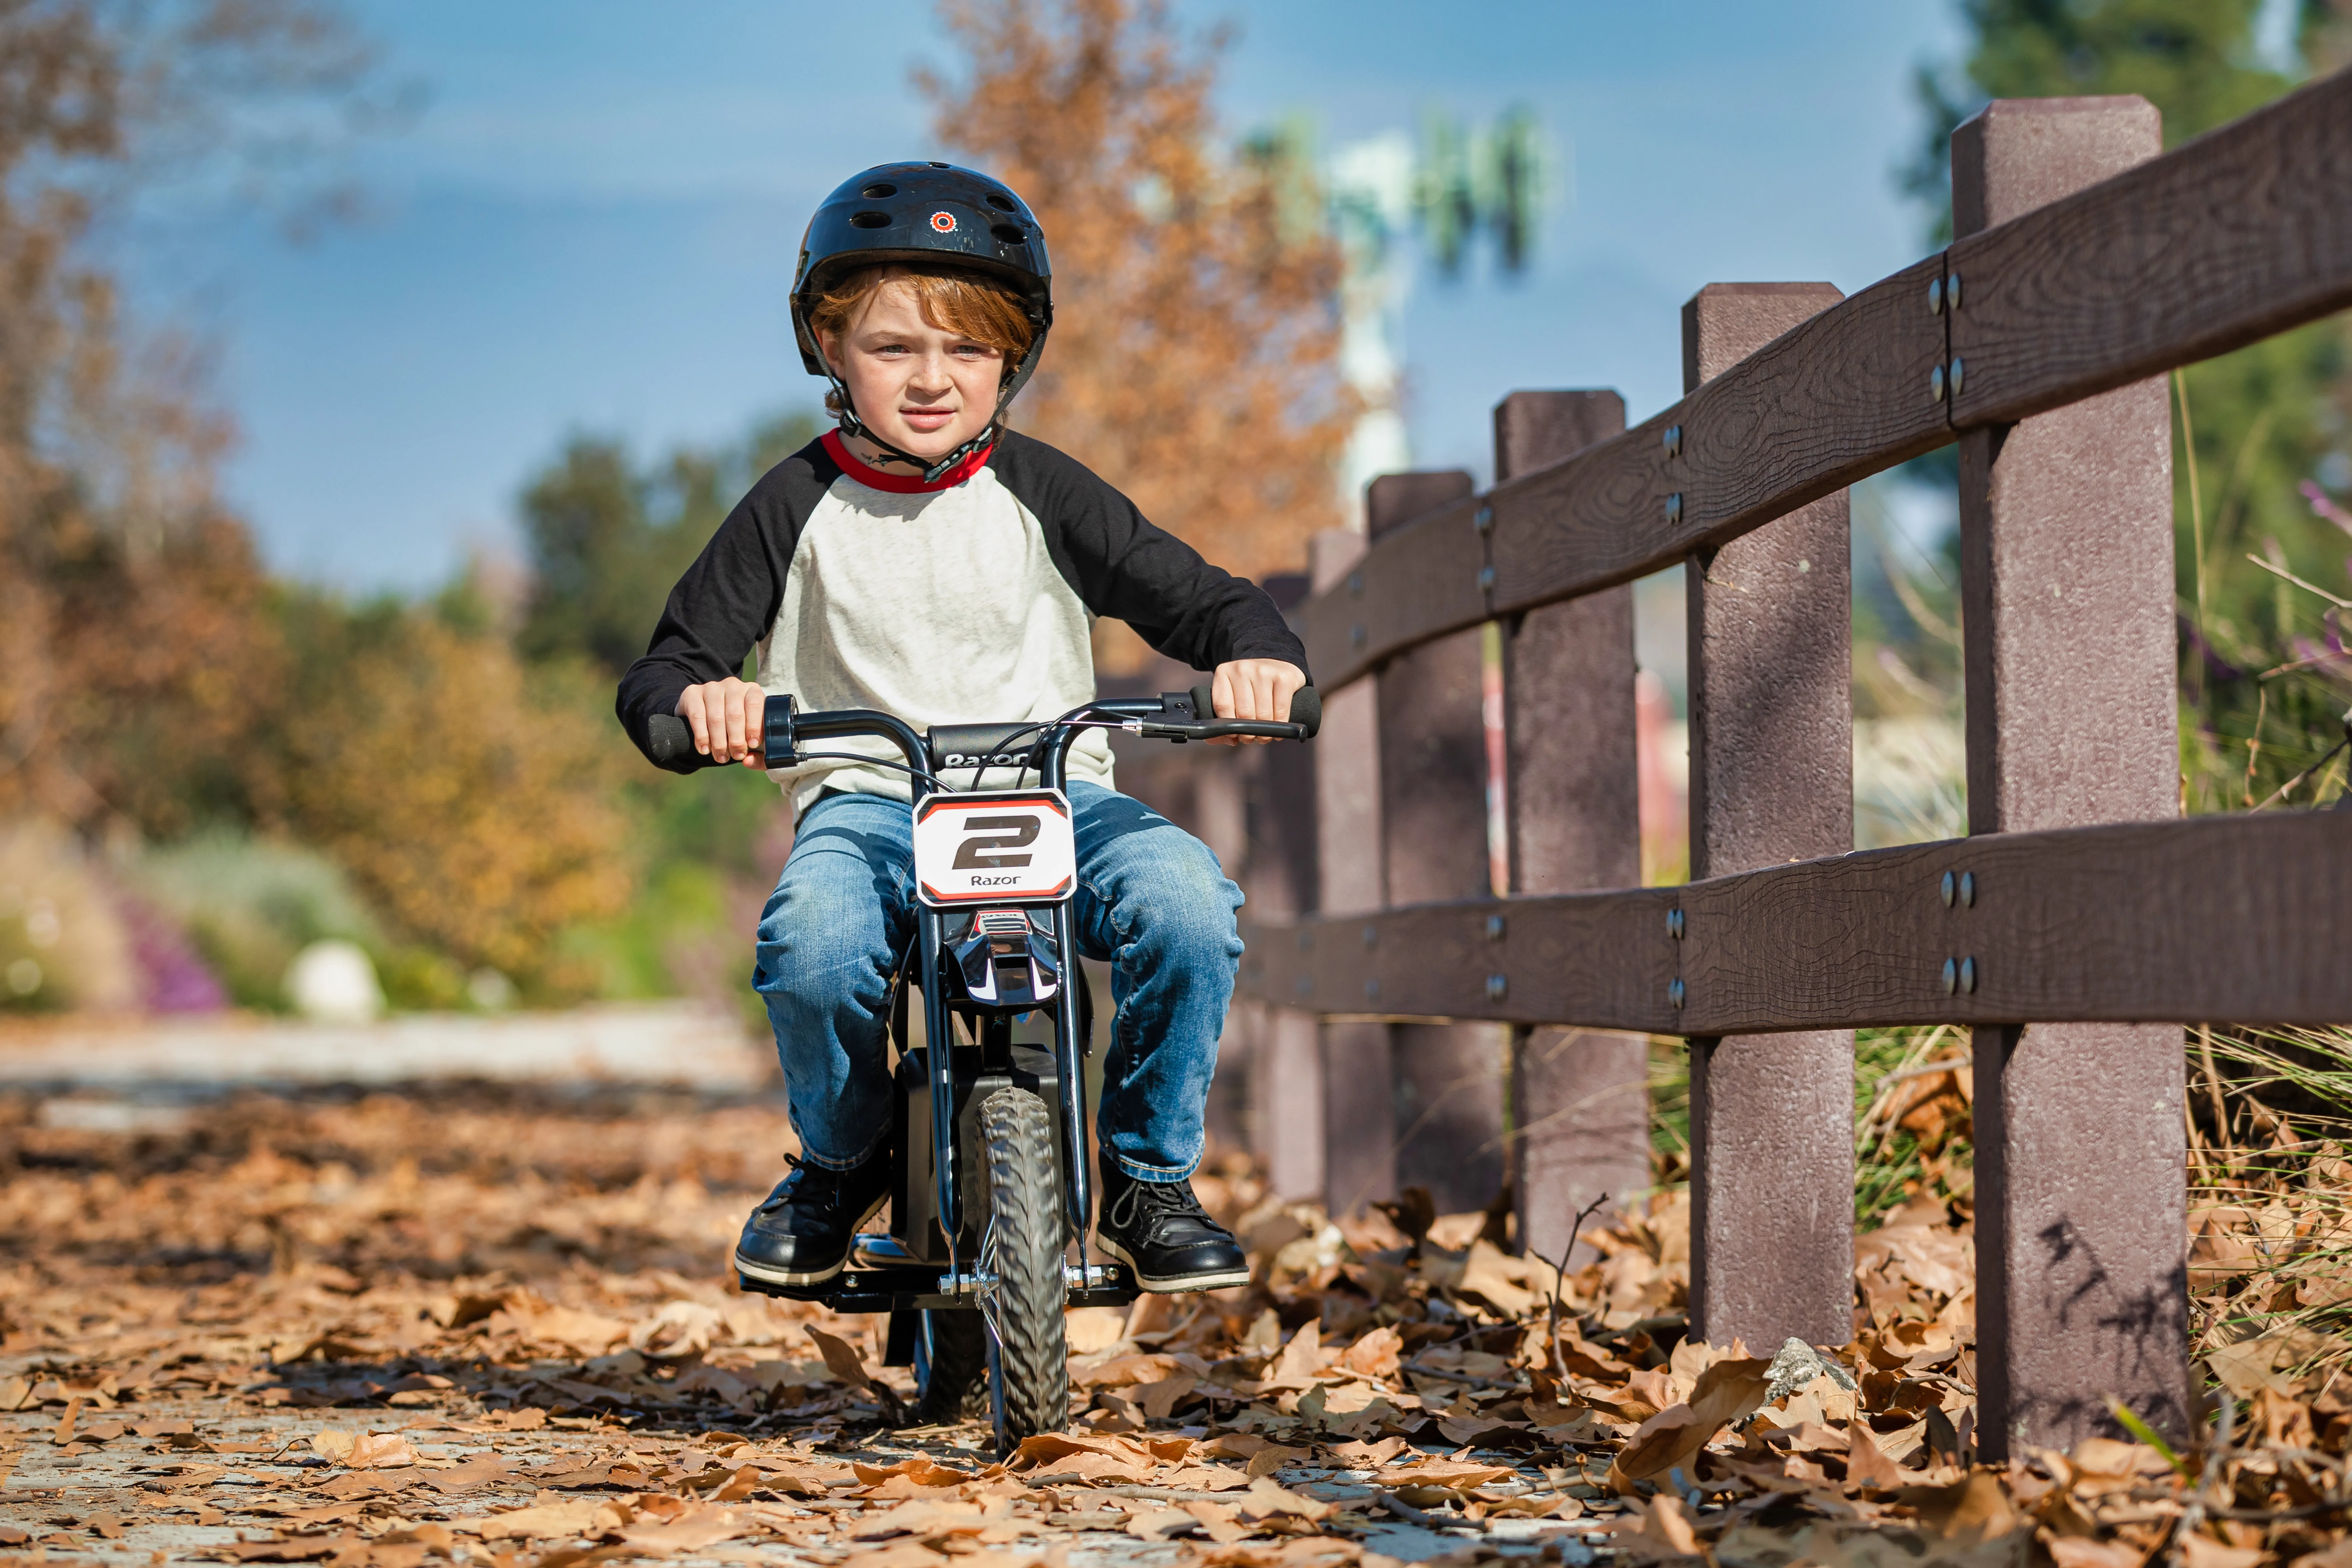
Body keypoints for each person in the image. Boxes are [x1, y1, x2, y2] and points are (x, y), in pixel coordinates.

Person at [615, 162, 1307, 1296]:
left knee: (1188, 907)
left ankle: (1144, 1173)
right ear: (828, 349)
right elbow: (669, 666)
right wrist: (697, 705)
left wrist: (1258, 659)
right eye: (893, 348)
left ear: (1012, 360)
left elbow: (1199, 596)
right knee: (817, 945)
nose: (932, 380)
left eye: (968, 350)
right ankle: (841, 1162)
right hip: (873, 803)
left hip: (1056, 798)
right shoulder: (792, 505)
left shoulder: (1044, 490)